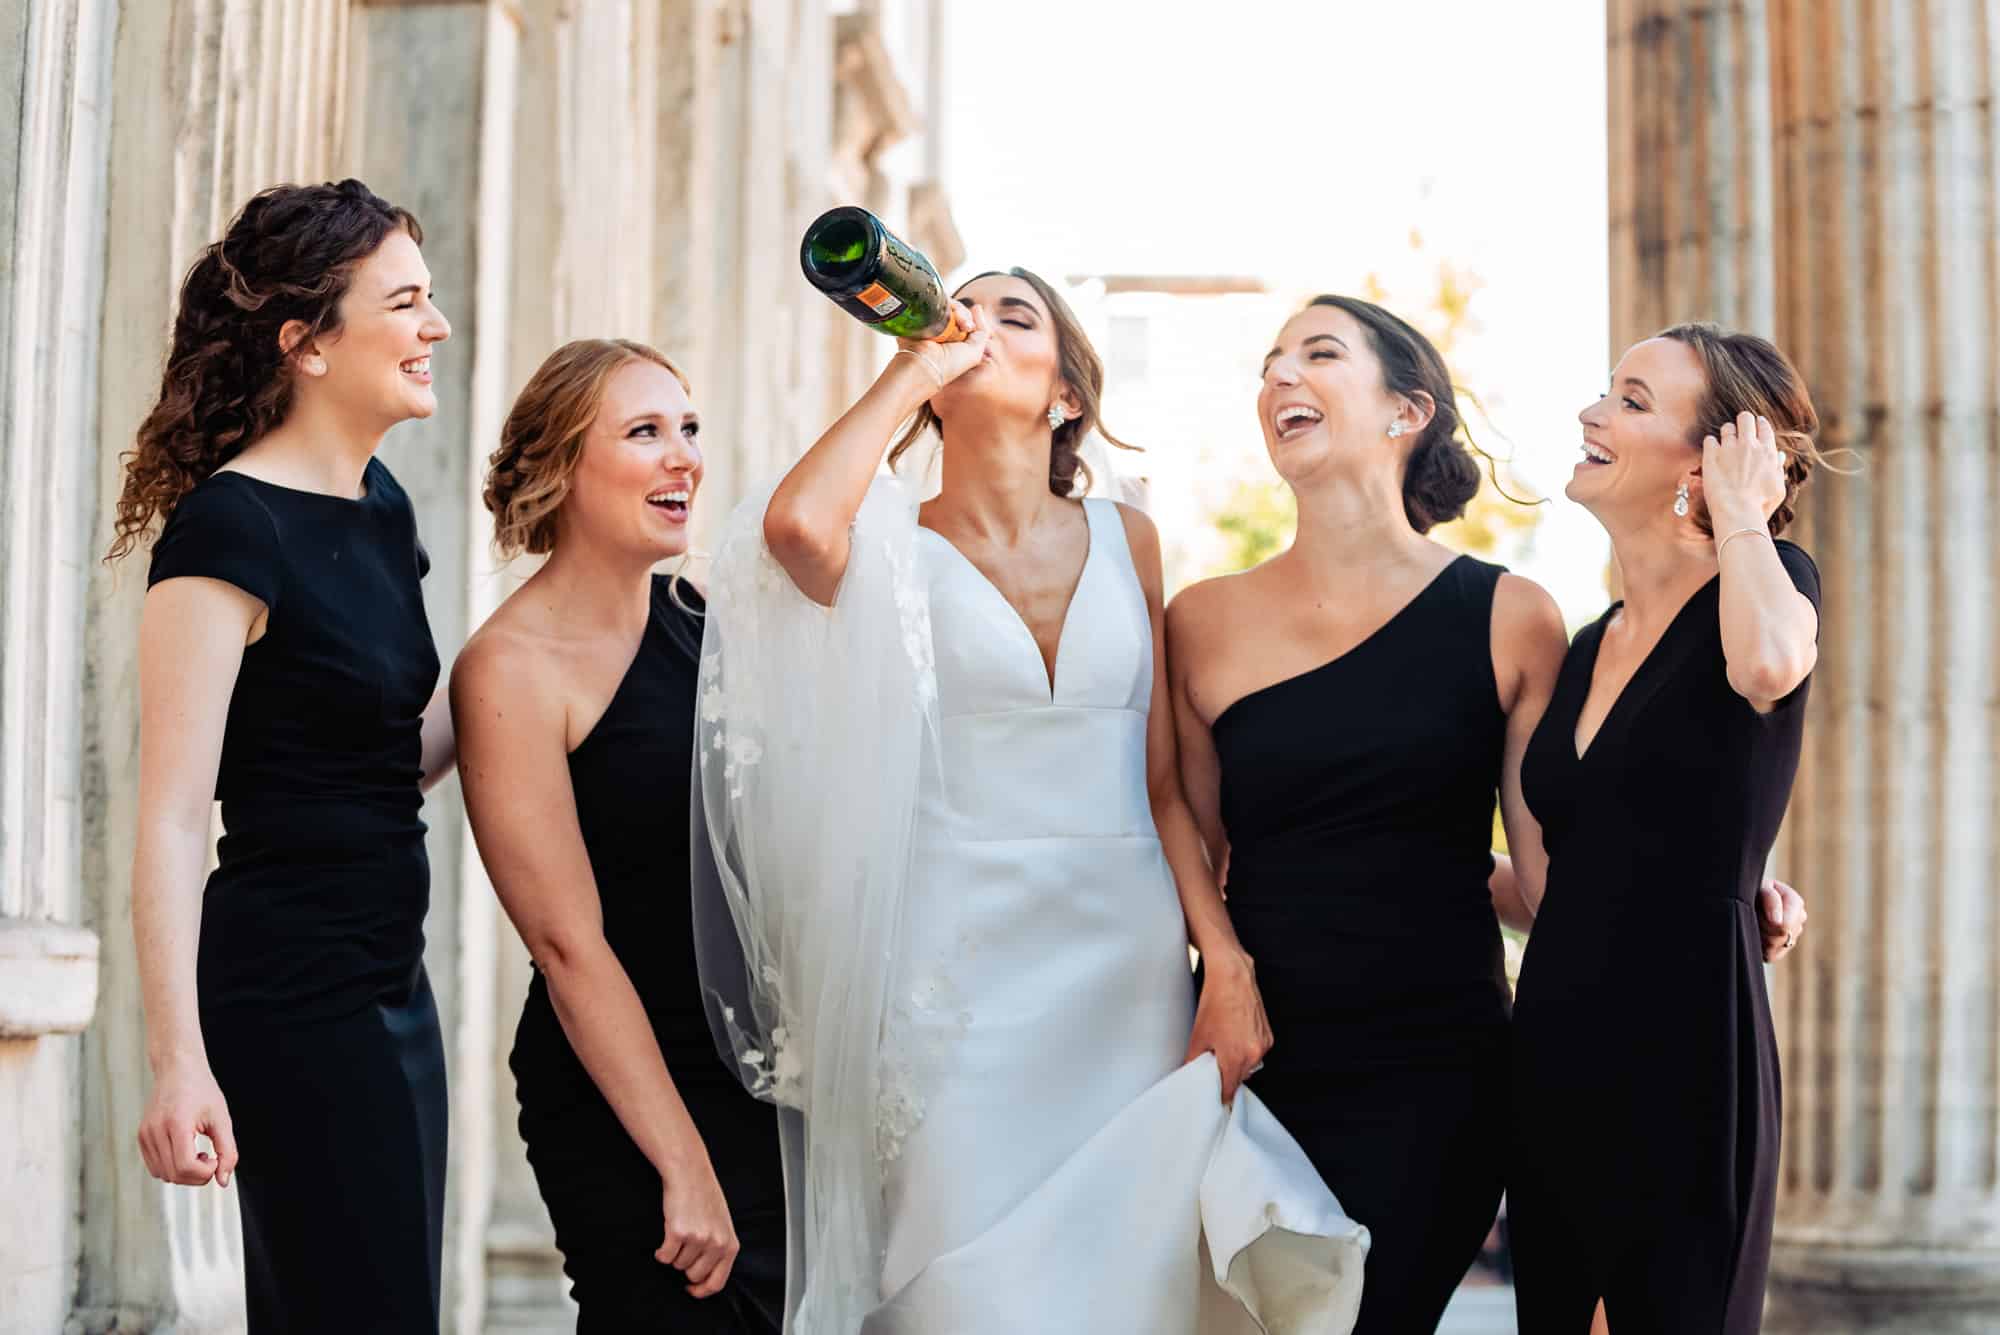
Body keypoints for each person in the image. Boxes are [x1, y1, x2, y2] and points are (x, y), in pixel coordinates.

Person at [694, 269, 1368, 1333]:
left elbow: (1157, 785)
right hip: (954, 968)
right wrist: (912, 367)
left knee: (1122, 1279)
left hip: (1124, 961)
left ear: (1065, 393)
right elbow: (791, 528)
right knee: (968, 1280)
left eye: (1018, 316)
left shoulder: (1127, 536)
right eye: (964, 308)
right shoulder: (887, 544)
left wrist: (1223, 961)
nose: (982, 327)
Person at [116, 179, 455, 1332]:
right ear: (307, 343)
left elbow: (384, 757)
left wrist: (572, 630)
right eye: (404, 302)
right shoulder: (229, 529)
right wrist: (177, 1063)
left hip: (393, 983)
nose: (435, 327)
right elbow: (168, 816)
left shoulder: (382, 507)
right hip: (291, 993)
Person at [453, 339, 786, 1331]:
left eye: (687, 429)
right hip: (623, 1097)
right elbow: (567, 947)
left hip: (755, 1078)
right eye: (644, 432)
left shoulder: (703, 616)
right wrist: (680, 1165)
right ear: (560, 468)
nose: (683, 456)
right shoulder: (510, 669)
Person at [1509, 323, 1827, 1334]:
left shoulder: (1773, 580)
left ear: (1706, 455)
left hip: (1682, 1042)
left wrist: (1743, 510)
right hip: (1555, 1046)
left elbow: (1768, 668)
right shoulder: (1585, 641)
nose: (1591, 414)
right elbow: (1571, 875)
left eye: (1631, 401)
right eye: (1606, 392)